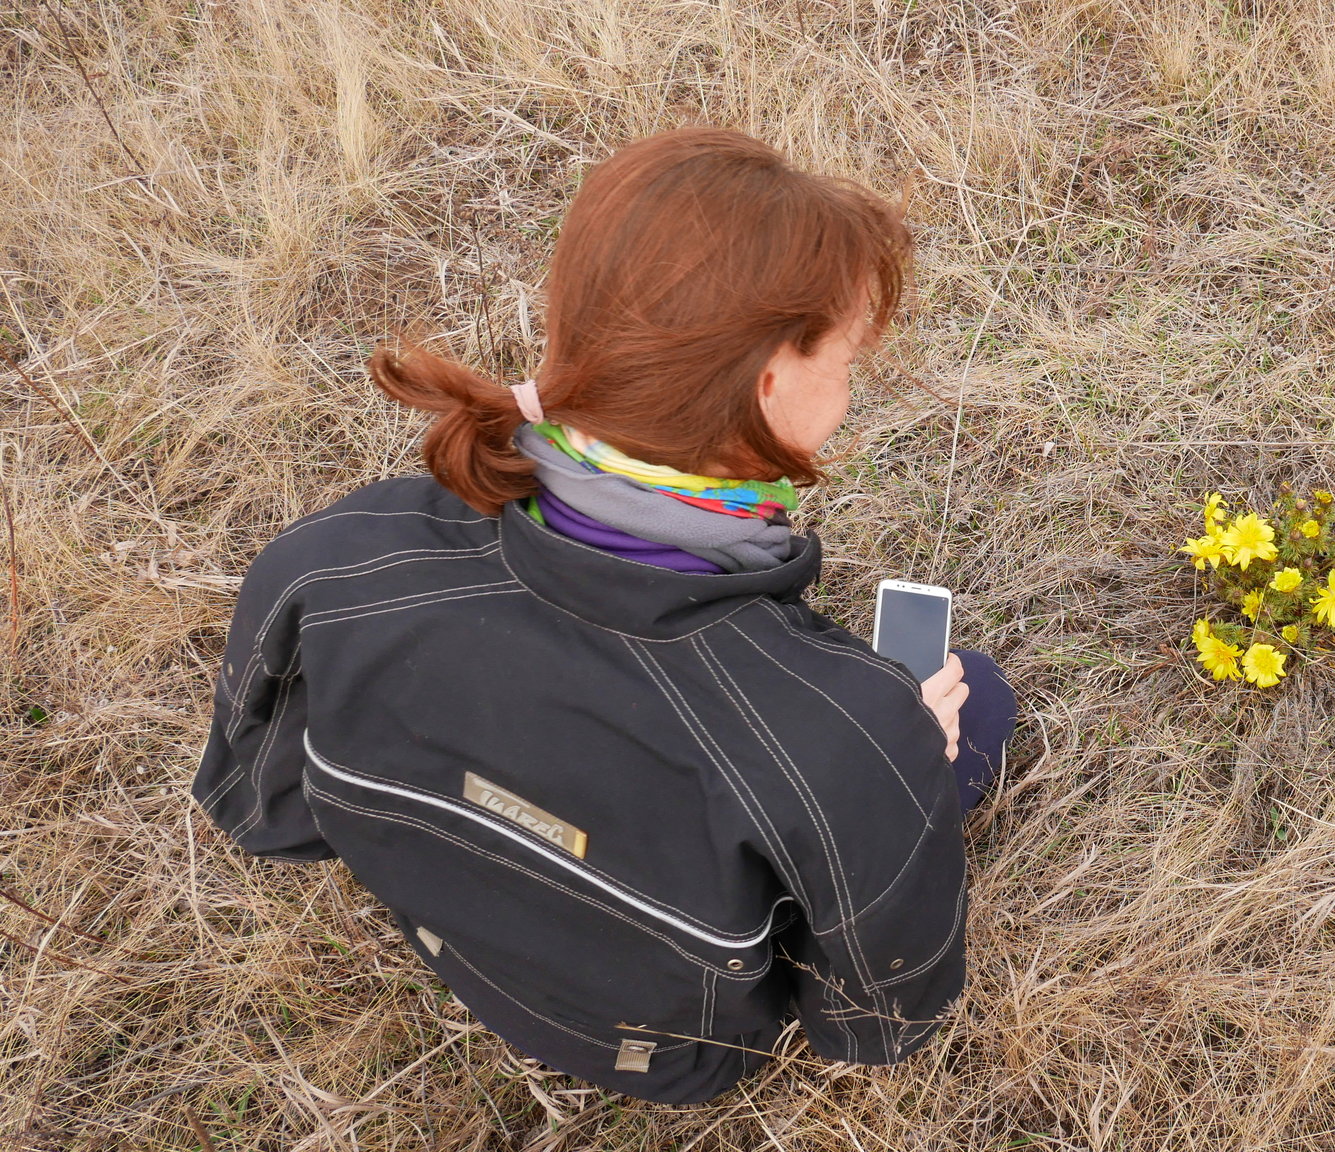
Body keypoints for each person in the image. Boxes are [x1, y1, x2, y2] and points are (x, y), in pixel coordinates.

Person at [189, 127, 1018, 1105]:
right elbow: (874, 1025)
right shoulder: (847, 731)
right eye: (845, 356)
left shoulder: (339, 555)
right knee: (982, 702)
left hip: (442, 937)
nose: (852, 380)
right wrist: (908, 760)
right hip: (672, 1056)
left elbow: (256, 807)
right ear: (767, 384)